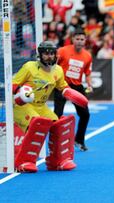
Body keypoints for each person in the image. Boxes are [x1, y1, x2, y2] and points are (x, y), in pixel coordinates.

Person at [12, 41, 88, 172]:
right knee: (38, 124)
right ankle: (24, 162)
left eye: (52, 53)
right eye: (46, 54)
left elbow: (62, 86)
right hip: (23, 105)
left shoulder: (58, 70)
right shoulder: (29, 67)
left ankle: (57, 161)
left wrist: (71, 93)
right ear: (40, 55)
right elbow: (13, 84)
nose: (49, 56)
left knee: (58, 125)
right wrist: (20, 92)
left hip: (41, 106)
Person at [54, 28, 92, 151]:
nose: (80, 41)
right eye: (77, 39)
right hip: (62, 85)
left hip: (77, 87)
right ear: (72, 39)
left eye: (82, 39)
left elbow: (88, 73)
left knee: (85, 114)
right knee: (57, 115)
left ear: (85, 40)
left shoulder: (87, 56)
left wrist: (90, 85)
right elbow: (53, 66)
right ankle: (55, 142)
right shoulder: (62, 51)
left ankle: (79, 140)